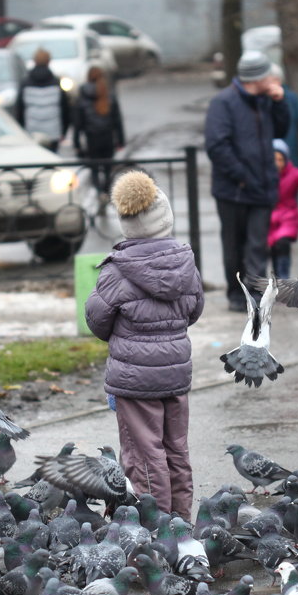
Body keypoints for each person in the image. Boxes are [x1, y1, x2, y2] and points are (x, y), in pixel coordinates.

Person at [85, 171, 204, 517]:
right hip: (176, 373)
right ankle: (181, 526)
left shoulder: (117, 271)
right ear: (165, 220)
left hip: (135, 381)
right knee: (175, 450)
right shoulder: (185, 264)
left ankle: (157, 531)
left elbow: (96, 320)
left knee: (144, 455)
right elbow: (194, 310)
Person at [204, 50, 290, 312]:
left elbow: (282, 130)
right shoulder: (224, 103)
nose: (274, 78)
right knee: (233, 246)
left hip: (262, 188)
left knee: (257, 247)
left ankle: (256, 298)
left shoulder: (266, 100)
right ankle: (235, 295)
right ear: (257, 78)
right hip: (234, 190)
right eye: (269, 74)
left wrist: (279, 103)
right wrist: (242, 177)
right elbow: (217, 146)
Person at [268, 138, 298, 279]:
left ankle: (283, 277)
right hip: (271, 221)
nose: (277, 163)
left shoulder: (293, 175)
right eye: (274, 159)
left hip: (288, 219)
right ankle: (277, 277)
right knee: (274, 250)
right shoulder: (266, 177)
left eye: (280, 159)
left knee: (282, 245)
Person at [73, 65, 125, 200]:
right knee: (108, 167)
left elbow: (78, 123)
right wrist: (121, 140)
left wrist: (76, 142)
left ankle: (98, 191)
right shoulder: (108, 95)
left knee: (94, 167)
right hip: (108, 137)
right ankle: (106, 190)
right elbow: (117, 120)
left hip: (91, 138)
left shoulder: (83, 97)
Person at [15, 47, 71, 151]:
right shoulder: (56, 83)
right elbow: (65, 109)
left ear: (34, 61)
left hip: (31, 130)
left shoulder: (25, 83)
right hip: (53, 131)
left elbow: (20, 109)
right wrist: (63, 131)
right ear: (49, 61)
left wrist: (22, 130)